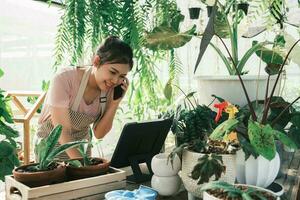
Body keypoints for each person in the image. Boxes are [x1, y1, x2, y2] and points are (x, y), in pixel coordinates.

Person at [35, 36, 133, 160]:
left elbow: (99, 133)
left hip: (81, 151)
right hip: (51, 150)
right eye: (113, 72)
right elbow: (63, 131)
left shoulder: (110, 89)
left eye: (122, 76)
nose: (115, 80)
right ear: (97, 61)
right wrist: (84, 165)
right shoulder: (64, 78)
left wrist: (115, 103)